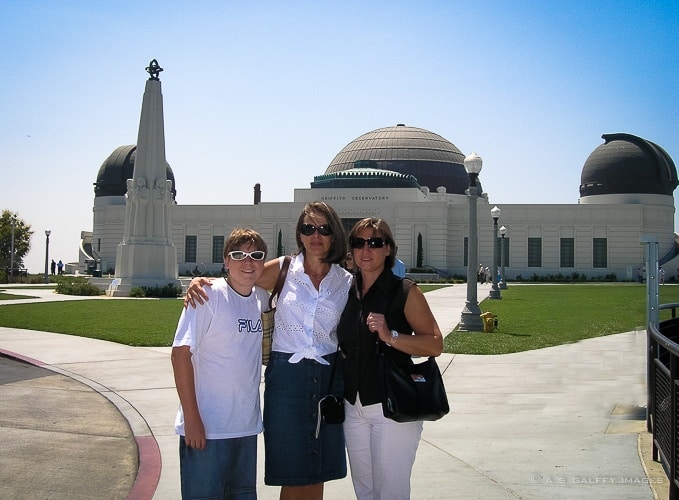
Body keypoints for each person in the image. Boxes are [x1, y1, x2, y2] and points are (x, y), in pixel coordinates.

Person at [185, 201, 353, 500]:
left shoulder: (345, 281)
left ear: (334, 234)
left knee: (318, 469)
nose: (316, 235)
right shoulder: (284, 269)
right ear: (299, 234)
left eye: (324, 228)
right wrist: (201, 283)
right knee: (294, 471)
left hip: (328, 380)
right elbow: (238, 277)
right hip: (287, 380)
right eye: (308, 228)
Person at [337, 217, 443, 500]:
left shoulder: (405, 291)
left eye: (375, 242)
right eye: (359, 243)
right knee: (365, 491)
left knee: (391, 492)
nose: (366, 249)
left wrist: (391, 336)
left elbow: (434, 344)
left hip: (391, 407)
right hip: (354, 407)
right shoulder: (346, 291)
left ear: (388, 249)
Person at [171, 227, 269, 499]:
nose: (248, 263)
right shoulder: (208, 295)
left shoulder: (262, 300)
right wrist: (192, 419)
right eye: (239, 255)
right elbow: (180, 355)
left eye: (256, 256)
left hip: (246, 428)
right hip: (207, 430)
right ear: (226, 260)